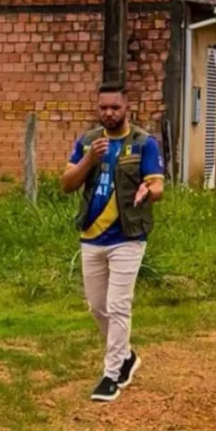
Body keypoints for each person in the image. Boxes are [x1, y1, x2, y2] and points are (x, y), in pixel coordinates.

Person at [60, 81, 165, 402]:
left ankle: (111, 374)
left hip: (128, 237)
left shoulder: (144, 144)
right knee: (97, 306)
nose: (109, 113)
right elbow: (67, 184)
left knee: (119, 305)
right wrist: (88, 160)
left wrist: (149, 191)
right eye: (103, 107)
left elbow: (158, 185)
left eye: (115, 107)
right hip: (91, 236)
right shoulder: (88, 142)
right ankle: (127, 356)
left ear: (126, 108)